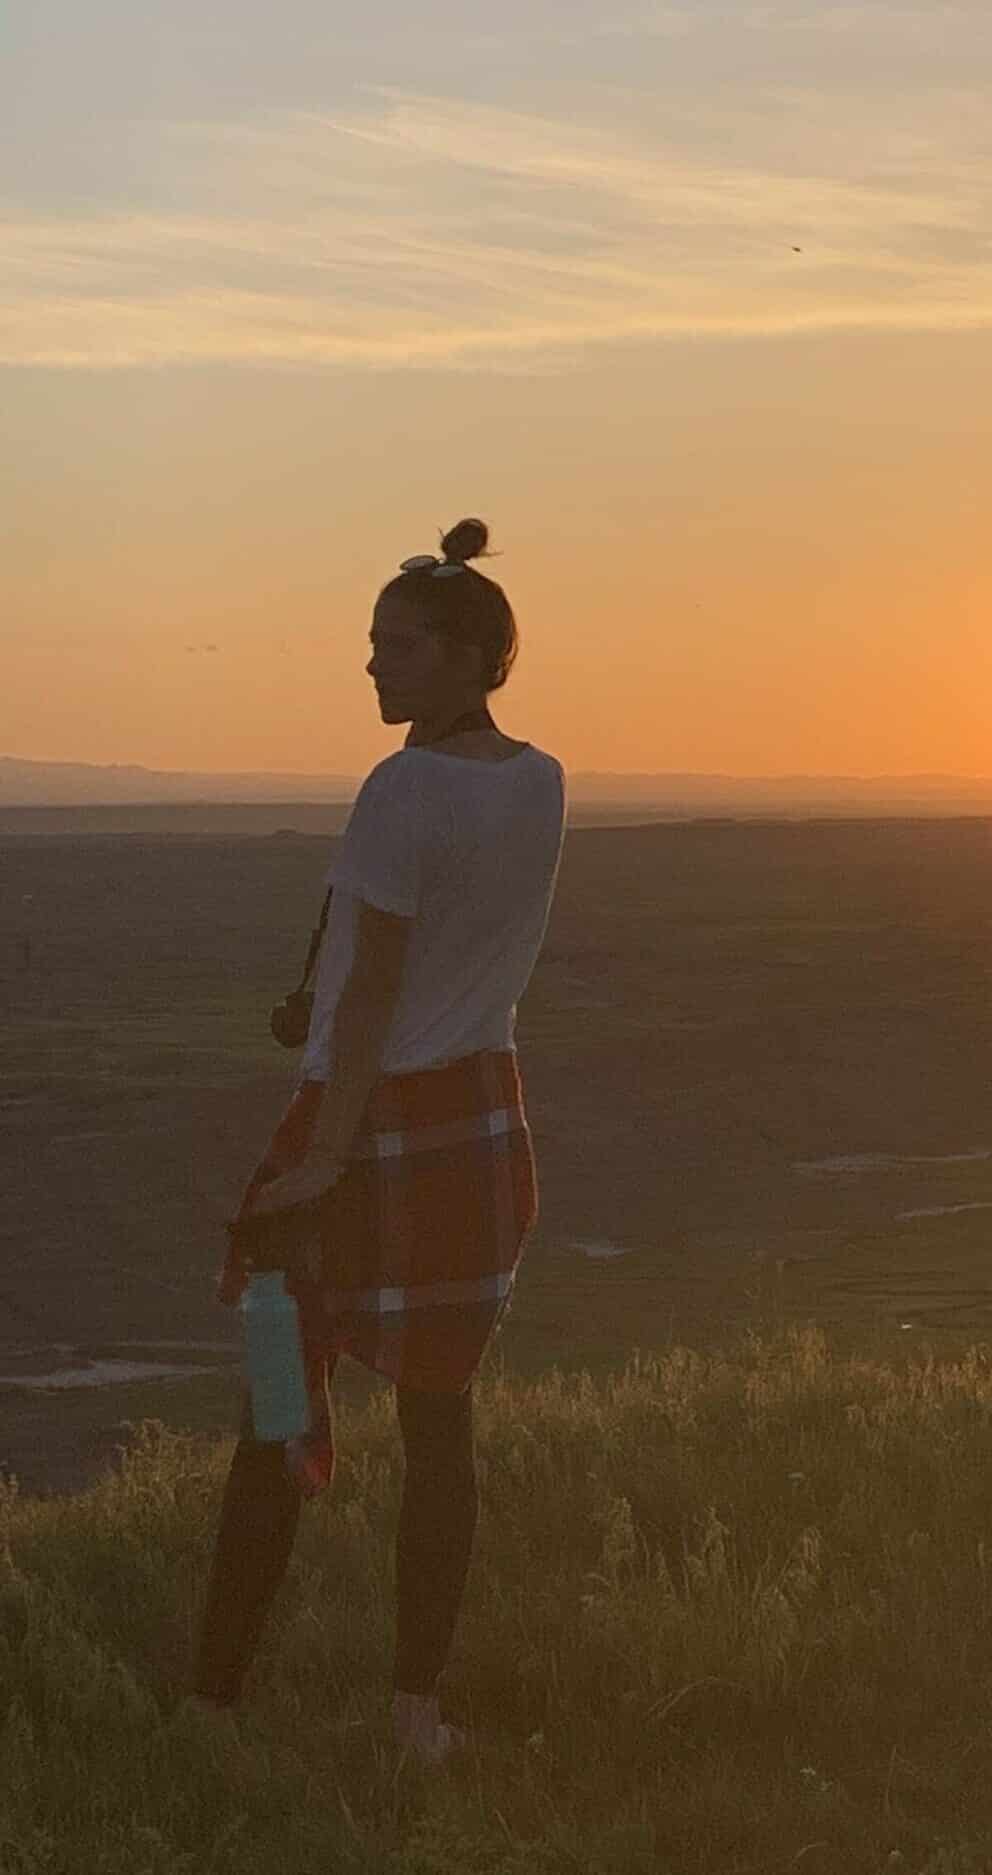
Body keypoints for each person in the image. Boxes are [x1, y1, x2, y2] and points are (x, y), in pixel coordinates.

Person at [190, 518, 566, 1764]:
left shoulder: (402, 788)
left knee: (277, 1406)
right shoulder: (541, 779)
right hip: (482, 1127)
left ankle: (216, 1709)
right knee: (440, 1425)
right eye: (372, 645)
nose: (372, 668)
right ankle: (417, 1716)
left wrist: (320, 1156)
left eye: (397, 646)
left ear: (469, 656)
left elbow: (368, 993)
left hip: (363, 1126)